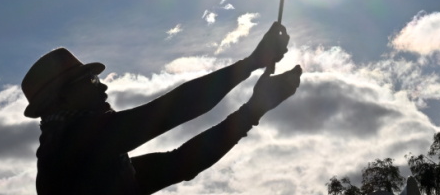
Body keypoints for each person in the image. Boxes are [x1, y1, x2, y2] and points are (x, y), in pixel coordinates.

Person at [22, 22, 302, 195]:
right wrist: (252, 63)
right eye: (91, 80)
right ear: (60, 100)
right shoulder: (73, 144)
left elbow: (180, 163)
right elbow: (173, 110)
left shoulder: (75, 152)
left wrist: (253, 110)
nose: (102, 87)